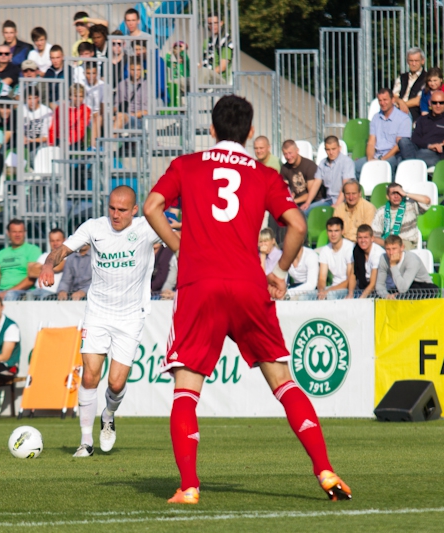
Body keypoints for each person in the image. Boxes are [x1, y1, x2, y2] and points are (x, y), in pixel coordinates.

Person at [143, 95, 351, 503]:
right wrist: (278, 271)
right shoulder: (262, 173)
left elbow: (152, 207)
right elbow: (295, 223)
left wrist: (178, 244)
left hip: (199, 284)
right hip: (247, 284)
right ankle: (324, 469)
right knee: (284, 382)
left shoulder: (186, 165)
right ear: (251, 133)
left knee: (186, 389)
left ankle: (188, 487)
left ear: (212, 130)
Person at [38, 186, 160, 455]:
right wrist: (48, 265)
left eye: (122, 210)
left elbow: (182, 233)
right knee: (90, 375)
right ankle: (85, 441)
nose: (115, 215)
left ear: (135, 210)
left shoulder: (146, 227)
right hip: (98, 313)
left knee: (116, 384)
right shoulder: (94, 227)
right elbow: (62, 250)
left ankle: (108, 416)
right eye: (112, 208)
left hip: (130, 316)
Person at [401, 90, 444, 167]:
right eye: (434, 103)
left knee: (403, 160)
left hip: (436, 154)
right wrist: (429, 145)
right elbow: (415, 138)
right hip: (420, 148)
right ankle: (410, 164)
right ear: (430, 103)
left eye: (441, 103)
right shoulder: (423, 119)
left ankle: (408, 163)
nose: (438, 105)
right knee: (403, 141)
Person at [0, 219, 42, 300]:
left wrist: (8, 292)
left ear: (25, 233)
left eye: (20, 232)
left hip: (22, 292)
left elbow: (31, 279)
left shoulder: (33, 250)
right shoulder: (1, 253)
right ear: (8, 233)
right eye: (14, 232)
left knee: (9, 296)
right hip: (1, 291)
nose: (17, 235)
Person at [355, 88, 411, 176]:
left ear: (392, 100)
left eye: (385, 100)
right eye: (380, 100)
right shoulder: (375, 118)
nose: (382, 103)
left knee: (385, 170)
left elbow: (398, 146)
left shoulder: (403, 119)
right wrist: (370, 159)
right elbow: (371, 142)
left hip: (394, 156)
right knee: (354, 167)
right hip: (377, 155)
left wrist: (382, 160)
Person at [375, 234, 438, 299]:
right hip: (402, 286)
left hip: (423, 287)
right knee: (375, 295)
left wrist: (393, 265)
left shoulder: (412, 260)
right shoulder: (383, 258)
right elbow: (379, 285)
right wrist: (387, 296)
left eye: (394, 249)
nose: (391, 253)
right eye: (388, 249)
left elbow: (403, 289)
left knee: (410, 292)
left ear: (402, 247)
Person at [371, 182, 430, 249]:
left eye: (399, 193)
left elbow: (427, 201)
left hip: (406, 242)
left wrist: (406, 194)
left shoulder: (410, 205)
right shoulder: (381, 212)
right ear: (387, 197)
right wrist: (389, 245)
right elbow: (375, 236)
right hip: (386, 243)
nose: (396, 196)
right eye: (393, 194)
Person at [312, 135, 355, 210]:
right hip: (329, 200)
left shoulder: (347, 162)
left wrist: (337, 204)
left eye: (333, 149)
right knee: (305, 211)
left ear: (339, 148)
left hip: (344, 201)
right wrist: (307, 202)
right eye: (328, 150)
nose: (331, 152)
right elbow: (316, 183)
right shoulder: (322, 163)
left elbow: (346, 186)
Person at [317, 217, 355, 300]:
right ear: (327, 232)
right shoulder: (325, 250)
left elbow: (350, 280)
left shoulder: (350, 248)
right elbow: (322, 278)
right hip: (332, 288)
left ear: (342, 231)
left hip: (348, 289)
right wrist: (321, 291)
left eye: (336, 231)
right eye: (330, 231)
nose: (333, 234)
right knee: (306, 296)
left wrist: (329, 291)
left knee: (330, 296)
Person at [280, 140, 321, 210]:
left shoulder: (309, 166)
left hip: (313, 202)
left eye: (290, 153)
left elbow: (310, 194)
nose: (288, 156)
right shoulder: (285, 168)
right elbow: (284, 189)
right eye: (285, 154)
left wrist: (293, 201)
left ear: (297, 150)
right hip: (295, 202)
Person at [29, 228, 66, 297]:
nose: (55, 243)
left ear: (64, 240)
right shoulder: (44, 255)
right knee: (26, 296)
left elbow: (58, 267)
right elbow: (31, 271)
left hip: (52, 292)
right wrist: (48, 267)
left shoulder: (66, 256)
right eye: (52, 241)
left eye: (58, 240)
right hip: (37, 290)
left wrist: (42, 267)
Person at [352, 224, 384, 299]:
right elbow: (353, 274)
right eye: (360, 238)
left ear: (372, 238)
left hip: (380, 289)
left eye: (365, 237)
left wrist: (361, 298)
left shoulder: (377, 254)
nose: (363, 241)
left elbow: (373, 283)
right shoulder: (357, 250)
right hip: (363, 286)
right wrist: (350, 294)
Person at [201, 13, 233, 85]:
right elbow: (201, 62)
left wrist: (206, 76)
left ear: (221, 23)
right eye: (210, 23)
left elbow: (223, 67)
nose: (213, 26)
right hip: (207, 79)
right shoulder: (207, 41)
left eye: (215, 23)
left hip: (221, 81)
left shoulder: (226, 41)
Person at [393, 47, 426, 112]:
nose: (413, 64)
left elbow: (418, 100)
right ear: (407, 61)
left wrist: (402, 105)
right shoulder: (402, 77)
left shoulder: (427, 78)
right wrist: (400, 101)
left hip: (415, 112)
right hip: (398, 110)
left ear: (422, 61)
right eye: (411, 61)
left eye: (416, 61)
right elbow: (394, 96)